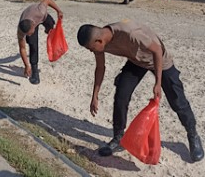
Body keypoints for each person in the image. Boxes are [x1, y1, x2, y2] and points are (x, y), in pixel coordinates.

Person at [77, 20, 204, 162]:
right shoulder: (99, 44)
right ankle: (118, 137)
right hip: (136, 61)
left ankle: (193, 135)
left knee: (177, 101)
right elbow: (100, 68)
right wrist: (95, 95)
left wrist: (158, 82)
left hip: (160, 60)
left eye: (91, 48)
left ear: (99, 41)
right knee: (121, 95)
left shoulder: (130, 33)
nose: (91, 51)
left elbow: (157, 50)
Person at [17, 0, 63, 85]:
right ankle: (35, 71)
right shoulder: (21, 30)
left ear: (34, 25)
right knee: (32, 44)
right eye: (27, 34)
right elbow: (22, 48)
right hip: (29, 17)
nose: (29, 34)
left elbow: (47, 0)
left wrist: (58, 10)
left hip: (39, 15)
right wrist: (27, 65)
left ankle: (48, 29)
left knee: (51, 24)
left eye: (30, 33)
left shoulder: (40, 11)